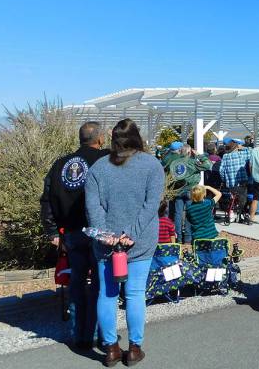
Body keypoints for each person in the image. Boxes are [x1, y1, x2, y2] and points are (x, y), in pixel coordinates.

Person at [85, 118, 164, 366]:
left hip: (106, 245)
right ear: (137, 138)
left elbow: (92, 206)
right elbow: (151, 205)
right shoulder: (152, 165)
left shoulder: (98, 167)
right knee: (135, 294)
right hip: (139, 243)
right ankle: (134, 348)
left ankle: (110, 349)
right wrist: (131, 232)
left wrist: (106, 234)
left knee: (107, 295)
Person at [40, 121, 109, 350]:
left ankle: (79, 336)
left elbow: (47, 198)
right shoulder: (104, 160)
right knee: (100, 284)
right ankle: (101, 335)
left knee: (77, 283)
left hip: (71, 233)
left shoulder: (60, 164)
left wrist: (51, 230)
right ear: (99, 139)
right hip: (98, 231)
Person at [163, 143, 212, 244]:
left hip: (178, 190)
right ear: (190, 152)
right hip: (191, 190)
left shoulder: (175, 163)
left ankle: (178, 237)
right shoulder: (193, 162)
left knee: (178, 214)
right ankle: (188, 238)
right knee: (189, 213)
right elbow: (208, 165)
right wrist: (199, 155)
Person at [220, 140, 252, 223]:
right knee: (243, 199)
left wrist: (225, 179)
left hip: (230, 183)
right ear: (236, 147)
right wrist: (243, 147)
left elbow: (221, 171)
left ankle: (232, 212)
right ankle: (240, 213)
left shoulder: (225, 156)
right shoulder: (241, 154)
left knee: (233, 197)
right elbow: (252, 151)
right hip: (242, 181)